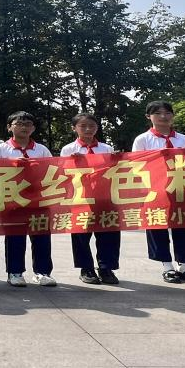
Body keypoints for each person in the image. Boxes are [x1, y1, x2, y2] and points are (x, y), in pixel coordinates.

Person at [132, 100, 185, 285]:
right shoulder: (142, 139)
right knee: (158, 226)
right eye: (157, 113)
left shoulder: (183, 139)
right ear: (148, 117)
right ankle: (167, 266)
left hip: (182, 189)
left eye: (167, 113)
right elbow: (136, 165)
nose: (163, 116)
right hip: (156, 191)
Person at [0, 111, 55, 287]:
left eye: (28, 124)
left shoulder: (41, 149)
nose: (24, 127)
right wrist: (11, 165)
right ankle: (15, 272)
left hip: (38, 200)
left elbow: (52, 171)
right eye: (19, 123)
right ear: (9, 127)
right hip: (13, 199)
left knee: (41, 237)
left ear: (33, 128)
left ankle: (42, 272)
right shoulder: (1, 149)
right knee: (15, 237)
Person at [60, 113, 119, 285]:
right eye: (83, 126)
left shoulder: (106, 149)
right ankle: (86, 268)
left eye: (92, 126)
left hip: (105, 197)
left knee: (108, 233)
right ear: (74, 128)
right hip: (80, 197)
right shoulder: (68, 149)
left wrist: (117, 160)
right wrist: (73, 163)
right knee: (81, 234)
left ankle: (106, 268)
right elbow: (62, 173)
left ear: (97, 128)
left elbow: (115, 171)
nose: (87, 129)